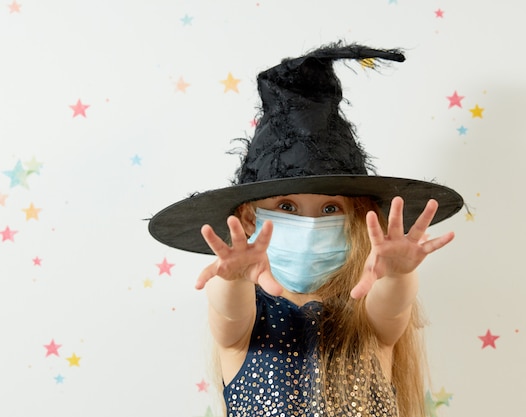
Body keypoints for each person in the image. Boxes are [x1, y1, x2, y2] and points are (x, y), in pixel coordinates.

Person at [149, 43, 464, 417]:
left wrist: (397, 277)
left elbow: (392, 308)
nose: (310, 224)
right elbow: (229, 312)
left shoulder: (365, 321)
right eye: (287, 207)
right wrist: (231, 279)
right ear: (251, 220)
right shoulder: (246, 330)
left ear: (357, 221)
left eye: (330, 208)